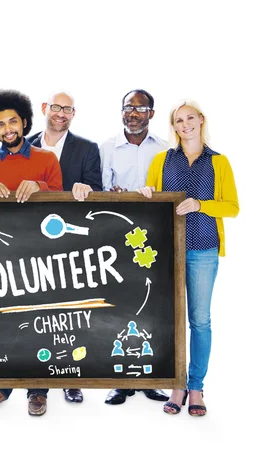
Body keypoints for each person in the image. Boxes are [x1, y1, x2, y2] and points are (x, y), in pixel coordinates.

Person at [137, 100, 239, 416]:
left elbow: (232, 207)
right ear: (174, 127)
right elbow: (150, 198)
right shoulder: (162, 160)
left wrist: (200, 204)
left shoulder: (218, 162)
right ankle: (176, 385)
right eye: (179, 120)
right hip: (167, 251)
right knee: (170, 320)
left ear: (201, 120)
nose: (185, 124)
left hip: (203, 249)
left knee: (200, 320)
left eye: (190, 118)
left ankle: (196, 388)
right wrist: (145, 194)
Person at [0, 89, 62, 416]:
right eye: (0, 124)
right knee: (1, 321)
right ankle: (0, 384)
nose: (8, 128)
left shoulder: (46, 159)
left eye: (13, 121)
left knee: (40, 321)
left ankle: (38, 389)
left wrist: (41, 187)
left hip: (39, 252)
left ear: (25, 122)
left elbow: (60, 201)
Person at [26, 91, 103, 406]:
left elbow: (96, 189)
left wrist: (86, 189)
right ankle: (37, 388)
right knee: (37, 312)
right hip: (30, 240)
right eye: (55, 107)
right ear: (45, 109)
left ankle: (71, 378)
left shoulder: (87, 149)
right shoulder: (24, 146)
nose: (61, 114)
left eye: (67, 109)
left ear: (73, 114)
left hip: (71, 242)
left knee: (72, 313)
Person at [100, 89, 170, 405]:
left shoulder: (166, 151)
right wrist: (112, 194)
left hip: (155, 239)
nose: (133, 113)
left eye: (140, 108)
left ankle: (151, 377)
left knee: (154, 307)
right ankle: (121, 380)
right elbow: (99, 192)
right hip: (119, 239)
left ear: (151, 114)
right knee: (121, 304)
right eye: (128, 107)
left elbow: (171, 193)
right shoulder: (107, 149)